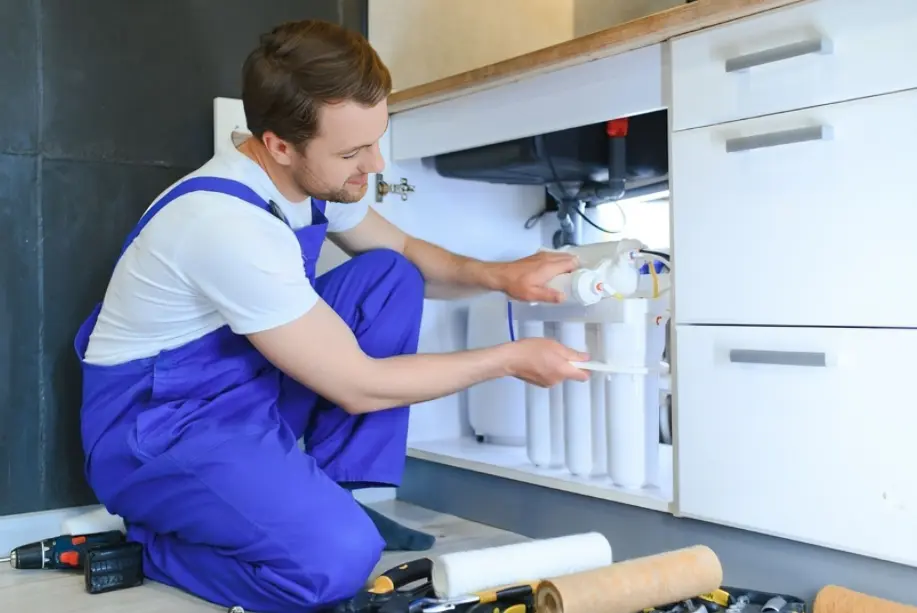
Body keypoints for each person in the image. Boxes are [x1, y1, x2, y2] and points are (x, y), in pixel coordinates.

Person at [74, 18, 589, 613]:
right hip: (159, 430)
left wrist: (499, 276)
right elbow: (359, 387)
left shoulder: (312, 177)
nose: (373, 165)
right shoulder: (225, 224)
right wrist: (509, 359)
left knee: (389, 278)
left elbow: (401, 252)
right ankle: (156, 547)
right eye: (352, 152)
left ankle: (338, 498)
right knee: (336, 566)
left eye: (377, 139)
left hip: (240, 387)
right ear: (279, 145)